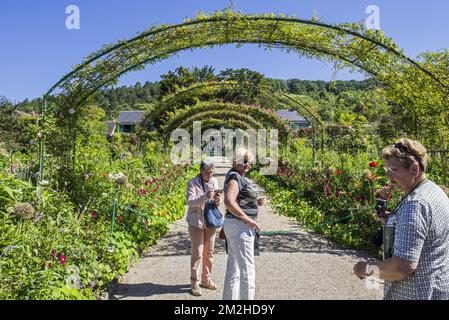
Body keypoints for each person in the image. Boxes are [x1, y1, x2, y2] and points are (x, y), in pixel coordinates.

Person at [353, 138, 449, 299]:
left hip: (416, 293)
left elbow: (402, 267)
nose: (389, 177)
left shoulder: (416, 204)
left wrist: (366, 269)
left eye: (393, 169)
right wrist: (395, 223)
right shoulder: (434, 191)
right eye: (387, 169)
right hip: (438, 289)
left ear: (414, 169)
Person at [222, 148, 265, 300]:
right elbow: (228, 201)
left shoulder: (236, 176)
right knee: (247, 270)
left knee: (234, 270)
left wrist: (254, 201)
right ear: (237, 161)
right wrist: (248, 219)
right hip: (240, 226)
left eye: (250, 162)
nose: (247, 165)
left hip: (235, 225)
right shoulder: (235, 177)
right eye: (244, 161)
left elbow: (238, 199)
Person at [186, 159, 222, 296]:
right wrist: (205, 197)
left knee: (209, 252)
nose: (210, 175)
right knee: (198, 253)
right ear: (201, 172)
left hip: (211, 221)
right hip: (197, 221)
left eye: (212, 172)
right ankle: (194, 281)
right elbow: (190, 202)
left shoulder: (214, 181)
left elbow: (217, 203)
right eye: (207, 173)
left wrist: (217, 199)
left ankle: (206, 279)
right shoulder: (192, 183)